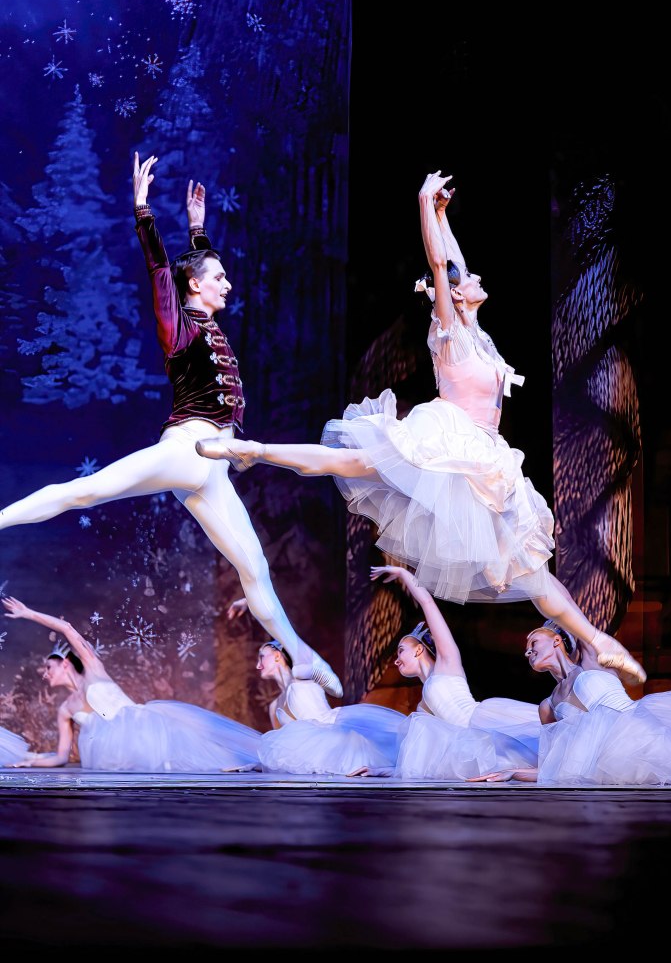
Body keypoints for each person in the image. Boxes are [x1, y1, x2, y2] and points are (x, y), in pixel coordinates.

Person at [194, 168, 645, 689]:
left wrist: (443, 215)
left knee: (533, 576)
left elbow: (453, 261)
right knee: (350, 461)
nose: (474, 277)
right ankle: (255, 449)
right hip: (447, 439)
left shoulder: (476, 334)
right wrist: (423, 203)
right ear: (451, 298)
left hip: (484, 457)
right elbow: (440, 263)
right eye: (463, 281)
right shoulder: (450, 331)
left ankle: (598, 641)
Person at [0, 152, 342, 700]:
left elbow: (189, 267)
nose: (227, 284)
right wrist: (143, 211)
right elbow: (163, 272)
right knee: (84, 491)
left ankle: (301, 656)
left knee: (254, 568)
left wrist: (199, 229)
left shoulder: (203, 317)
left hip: (213, 470)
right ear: (194, 287)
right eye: (219, 277)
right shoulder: (178, 328)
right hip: (188, 449)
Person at [1, 594, 264, 771]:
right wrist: (31, 760)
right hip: (112, 754)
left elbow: (68, 629)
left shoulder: (93, 669)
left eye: (48, 667)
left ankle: (250, 762)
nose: (45, 674)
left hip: (143, 727)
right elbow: (60, 756)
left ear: (65, 663)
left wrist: (28, 613)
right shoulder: (65, 710)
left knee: (201, 756)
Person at [350, 565, 541, 780]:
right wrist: (384, 771)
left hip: (482, 722)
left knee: (540, 748)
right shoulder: (423, 706)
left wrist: (403, 574)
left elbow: (427, 603)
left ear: (419, 650)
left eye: (401, 651)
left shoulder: (447, 664)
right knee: (512, 767)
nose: (396, 659)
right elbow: (423, 759)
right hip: (468, 744)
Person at [472, 622, 671, 786]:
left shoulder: (590, 661)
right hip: (608, 767)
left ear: (556, 640)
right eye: (526, 650)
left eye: (533, 643)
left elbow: (565, 605)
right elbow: (555, 764)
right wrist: (514, 772)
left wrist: (533, 581)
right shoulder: (548, 706)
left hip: (646, 739)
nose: (528, 652)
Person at [227, 596, 406, 776]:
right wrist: (258, 765)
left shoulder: (302, 679)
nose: (258, 665)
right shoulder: (275, 706)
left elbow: (279, 622)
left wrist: (253, 602)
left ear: (276, 656)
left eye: (261, 656)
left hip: (340, 744)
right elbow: (283, 752)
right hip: (316, 764)